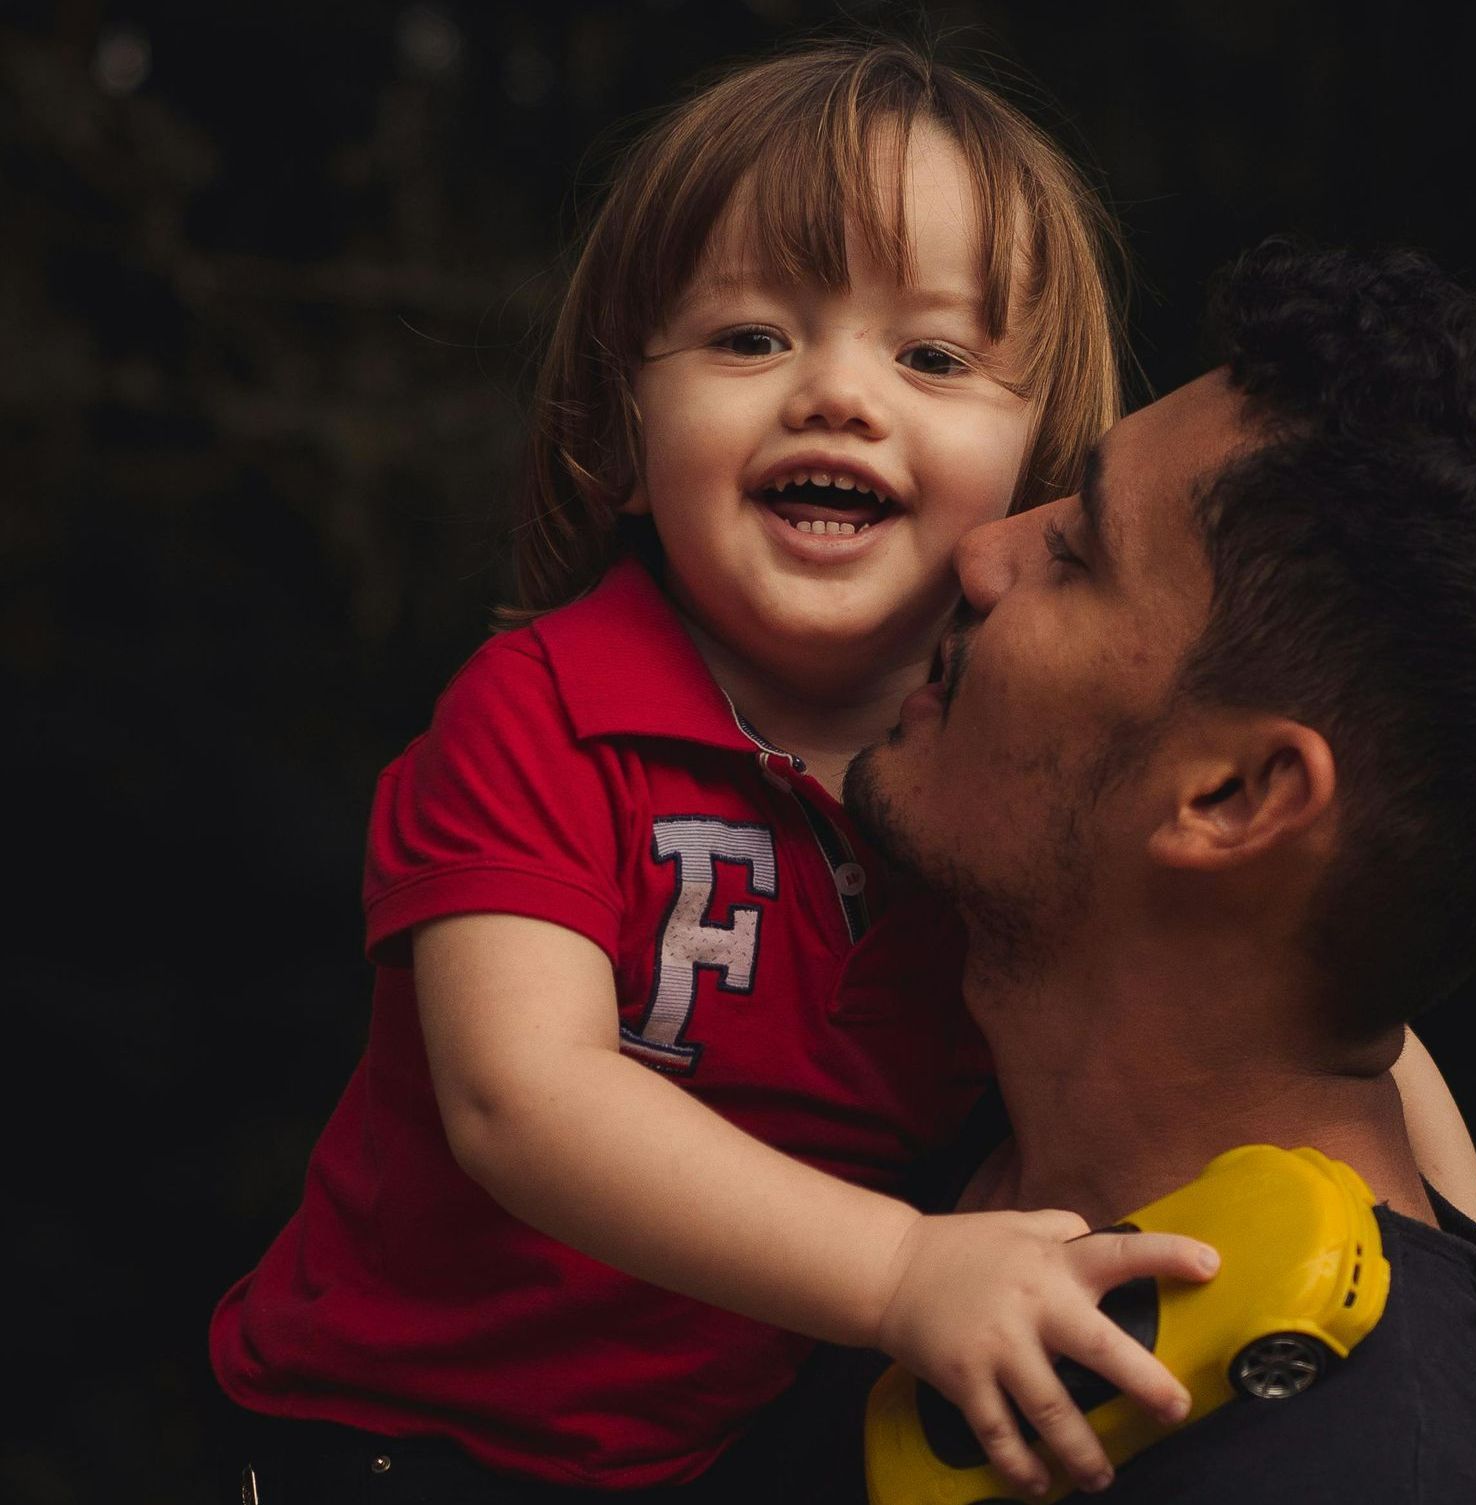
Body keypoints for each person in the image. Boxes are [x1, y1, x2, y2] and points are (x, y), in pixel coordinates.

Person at [208, 39, 1220, 1502]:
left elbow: (1301, 988)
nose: (838, 395)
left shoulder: (1020, 776)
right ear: (623, 436)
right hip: (395, 1446)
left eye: (931, 356)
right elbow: (520, 1098)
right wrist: (901, 1272)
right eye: (752, 338)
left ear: (1036, 484)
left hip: (713, 1455)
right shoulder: (542, 710)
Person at [844, 238, 1476, 1502]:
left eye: (1079, 553)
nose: (984, 552)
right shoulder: (871, 1072)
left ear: (1234, 798)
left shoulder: (1347, 1462)